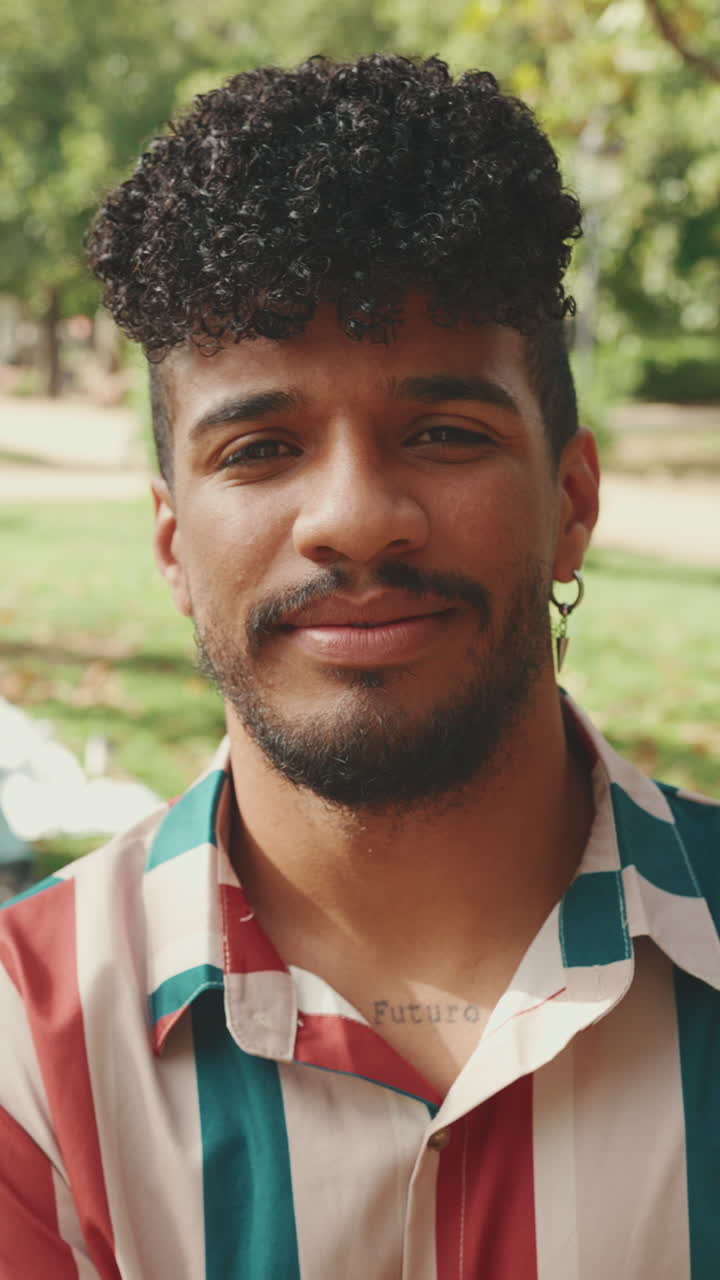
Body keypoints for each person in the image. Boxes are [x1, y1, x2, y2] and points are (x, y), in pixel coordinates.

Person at [1, 54, 718, 1280]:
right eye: (263, 445)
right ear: (174, 542)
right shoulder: (26, 1054)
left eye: (444, 432)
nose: (355, 516)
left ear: (572, 498)